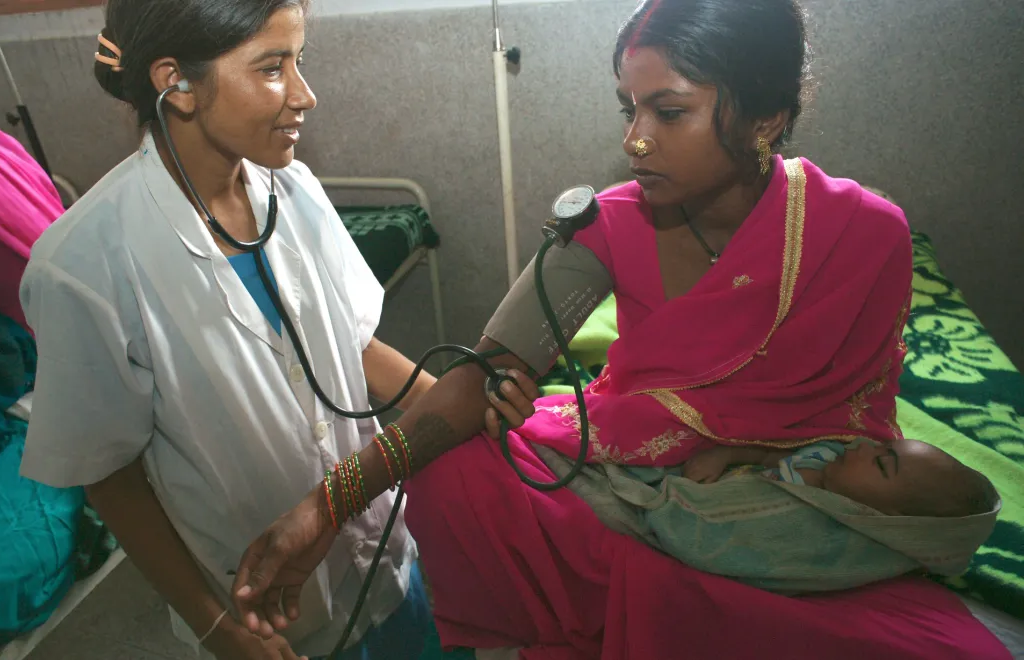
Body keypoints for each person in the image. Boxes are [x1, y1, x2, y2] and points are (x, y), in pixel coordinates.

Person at [232, 0, 1011, 657]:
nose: (634, 139)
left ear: (766, 118)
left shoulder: (866, 235)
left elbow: (855, 431)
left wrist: (736, 456)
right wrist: (327, 505)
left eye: (667, 111)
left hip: (784, 512)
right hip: (627, 479)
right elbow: (480, 377)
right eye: (627, 109)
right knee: (454, 468)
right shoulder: (608, 223)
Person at [17, 1, 439, 658]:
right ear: (174, 82)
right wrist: (218, 627)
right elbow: (111, 475)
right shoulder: (82, 266)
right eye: (273, 68)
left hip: (385, 552)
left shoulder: (293, 190)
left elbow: (356, 346)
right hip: (268, 616)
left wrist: (454, 402)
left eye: (300, 61)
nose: (305, 94)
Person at [683, 437, 999, 520]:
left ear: (890, 515)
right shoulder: (824, 455)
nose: (864, 447)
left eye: (881, 463)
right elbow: (765, 456)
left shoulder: (816, 519)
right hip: (708, 476)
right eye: (882, 446)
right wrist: (724, 456)